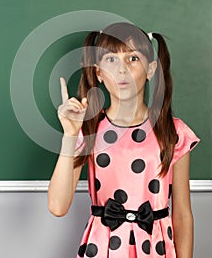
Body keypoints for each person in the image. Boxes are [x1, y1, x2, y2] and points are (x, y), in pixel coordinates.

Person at [48, 22, 200, 258]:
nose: (122, 70)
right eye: (111, 60)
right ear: (98, 72)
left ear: (150, 70)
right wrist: (70, 134)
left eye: (133, 59)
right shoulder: (88, 128)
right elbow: (57, 206)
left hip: (157, 249)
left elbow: (182, 213)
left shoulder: (174, 131)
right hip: (102, 248)